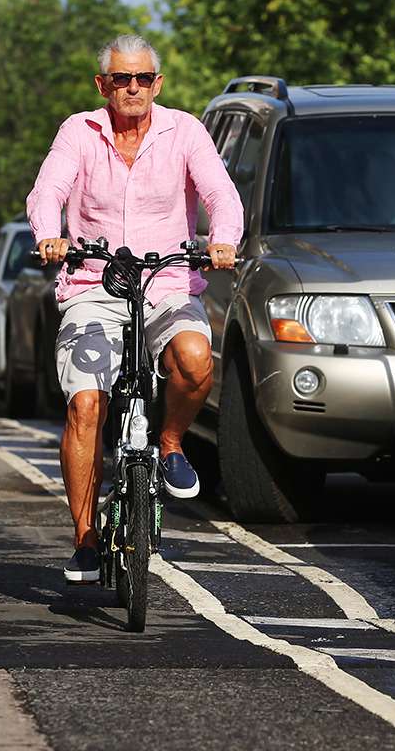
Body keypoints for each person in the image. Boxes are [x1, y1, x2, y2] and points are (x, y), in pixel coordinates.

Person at [26, 34, 243, 583]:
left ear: (157, 84)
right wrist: (51, 236)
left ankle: (169, 442)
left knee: (195, 362)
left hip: (167, 280)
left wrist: (223, 239)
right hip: (95, 284)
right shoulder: (79, 131)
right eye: (121, 79)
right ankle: (84, 537)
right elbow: (47, 191)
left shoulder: (185, 131)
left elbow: (220, 193)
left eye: (142, 78)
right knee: (85, 405)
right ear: (103, 85)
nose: (132, 88)